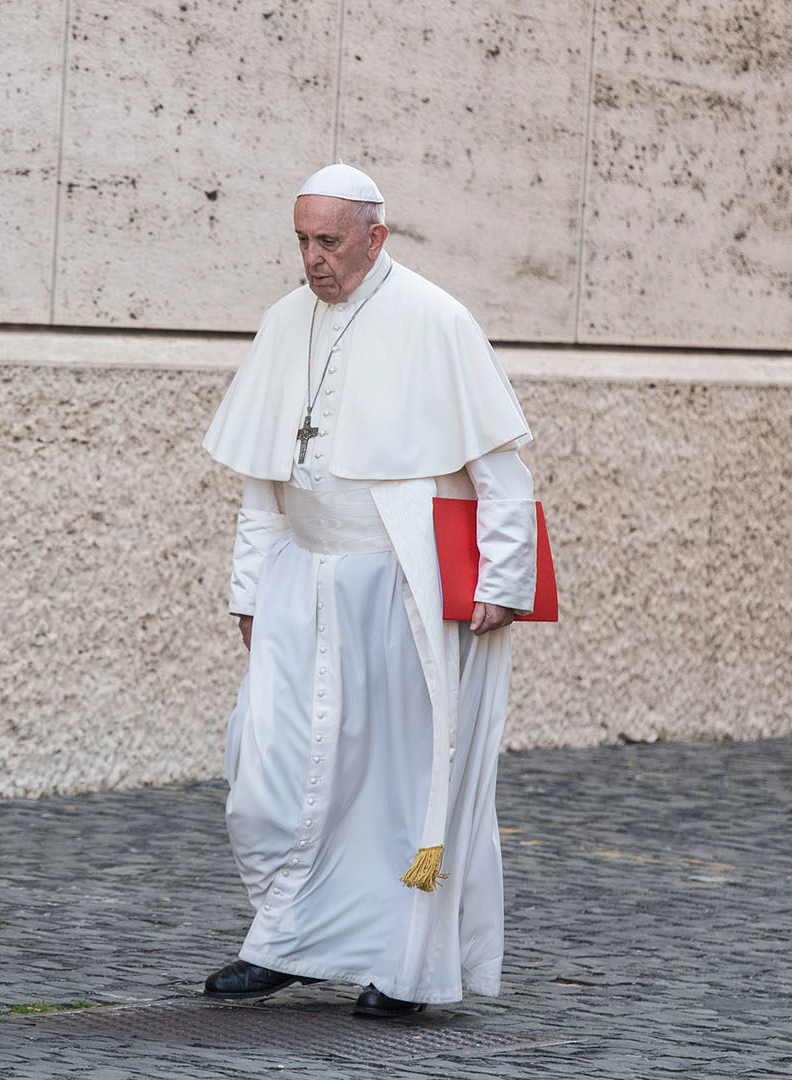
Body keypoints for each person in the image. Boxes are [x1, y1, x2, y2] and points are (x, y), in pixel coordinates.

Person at [199, 163, 539, 1018]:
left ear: (375, 237)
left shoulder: (435, 319)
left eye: (329, 242)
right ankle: (290, 937)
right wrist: (250, 593)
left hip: (402, 591)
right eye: (302, 241)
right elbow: (260, 482)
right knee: (268, 769)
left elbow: (501, 472)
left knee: (395, 788)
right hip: (300, 581)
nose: (313, 260)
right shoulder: (286, 321)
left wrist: (500, 581)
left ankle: (407, 967)